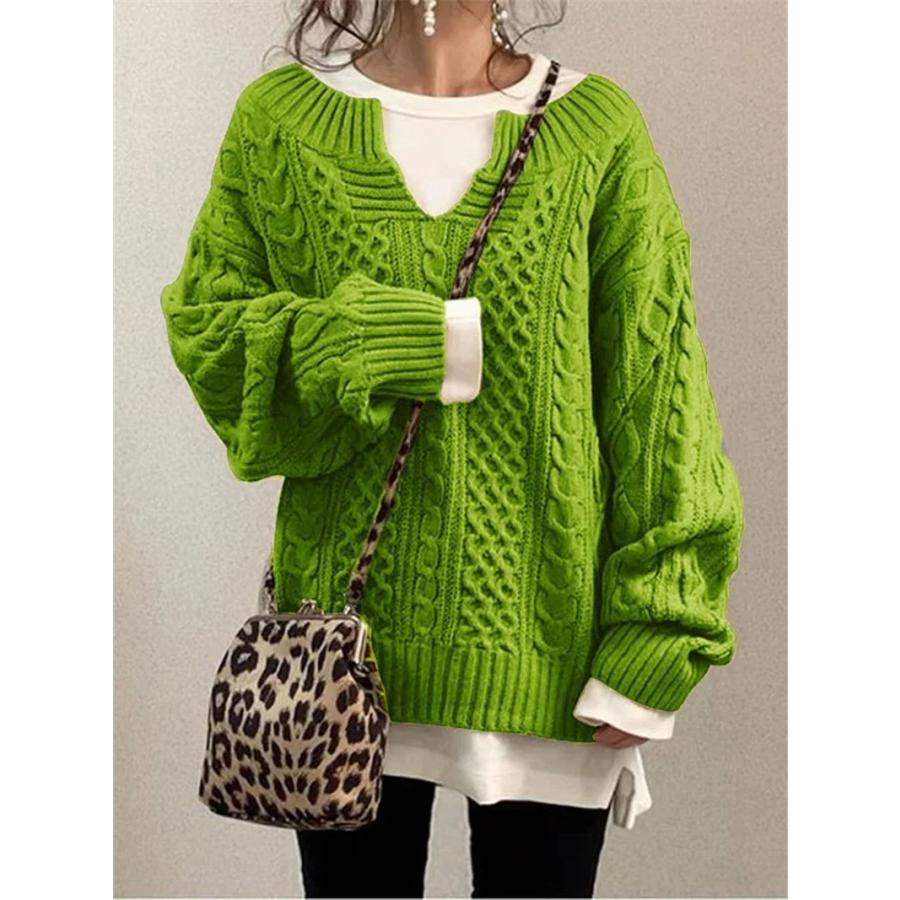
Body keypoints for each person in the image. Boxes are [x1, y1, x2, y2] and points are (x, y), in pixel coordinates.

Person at [160, 1, 744, 896]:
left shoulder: (596, 131)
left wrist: (662, 628)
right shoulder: (280, 123)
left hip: (550, 659)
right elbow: (213, 338)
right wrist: (377, 341)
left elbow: (662, 399)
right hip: (342, 663)